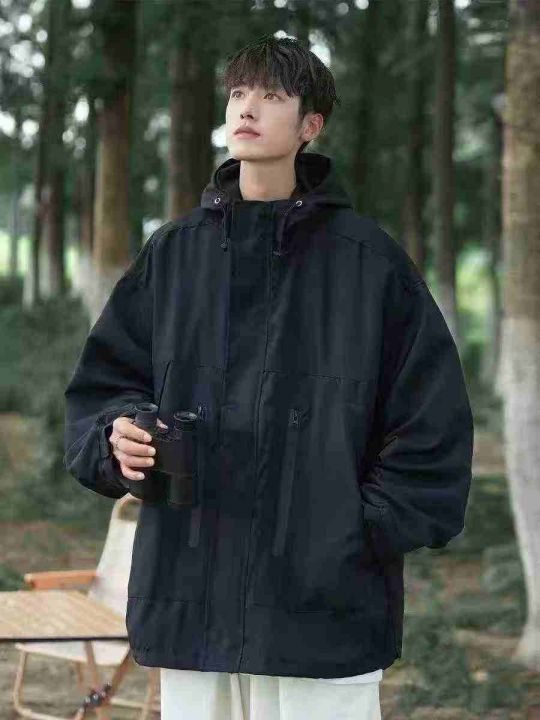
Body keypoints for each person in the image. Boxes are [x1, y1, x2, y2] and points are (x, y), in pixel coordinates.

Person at [63, 35, 474, 720]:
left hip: (323, 603)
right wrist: (118, 435)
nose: (247, 109)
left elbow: (433, 423)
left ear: (311, 125)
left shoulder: (370, 263)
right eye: (238, 93)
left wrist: (354, 529)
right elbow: (104, 386)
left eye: (272, 96)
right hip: (192, 589)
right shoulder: (175, 254)